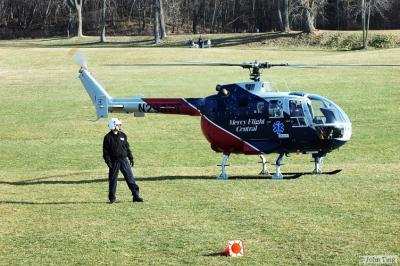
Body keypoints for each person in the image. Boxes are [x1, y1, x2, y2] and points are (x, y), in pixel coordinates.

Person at [103, 118, 143, 204]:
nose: (120, 126)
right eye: (118, 125)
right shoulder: (107, 138)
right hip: (114, 162)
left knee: (130, 178)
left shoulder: (123, 135)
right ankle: (112, 198)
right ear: (113, 125)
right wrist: (108, 163)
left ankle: (136, 196)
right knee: (113, 180)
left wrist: (130, 157)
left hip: (124, 161)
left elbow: (127, 147)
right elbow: (105, 152)